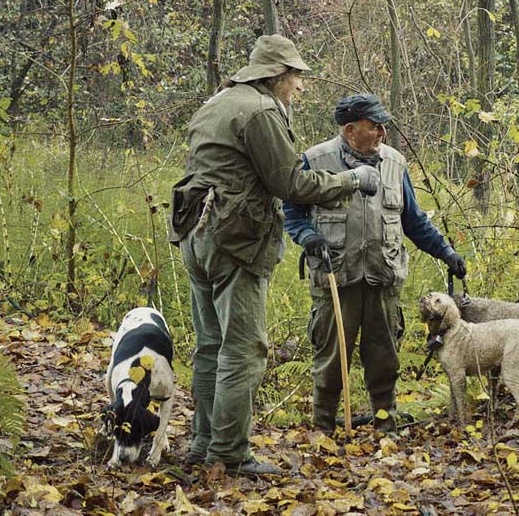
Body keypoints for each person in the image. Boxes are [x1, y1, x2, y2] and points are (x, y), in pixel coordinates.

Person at [168, 36, 381, 476]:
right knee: (243, 349)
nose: (300, 86)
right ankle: (227, 455)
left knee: (210, 346)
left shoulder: (218, 101)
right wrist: (353, 180)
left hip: (196, 234)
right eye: (297, 76)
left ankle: (203, 443)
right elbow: (292, 185)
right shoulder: (261, 110)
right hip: (234, 240)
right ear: (278, 76)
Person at [284, 94, 467, 433]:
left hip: (383, 280)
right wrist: (308, 237)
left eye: (384, 125)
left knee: (384, 361)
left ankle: (385, 426)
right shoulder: (315, 159)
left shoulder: (395, 163)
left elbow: (413, 220)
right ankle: (323, 429)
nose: (383, 132)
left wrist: (446, 252)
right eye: (375, 126)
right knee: (330, 362)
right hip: (335, 278)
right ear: (350, 130)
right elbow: (292, 212)